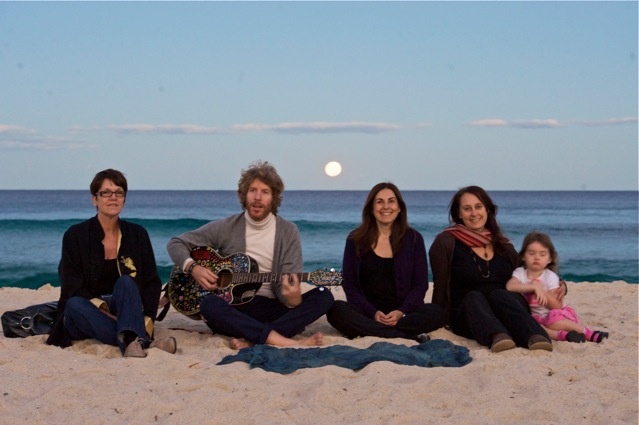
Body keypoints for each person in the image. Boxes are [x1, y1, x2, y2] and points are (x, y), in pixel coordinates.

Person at [166, 160, 334, 349]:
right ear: (244, 195)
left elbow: (289, 295)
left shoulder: (288, 231)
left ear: (274, 198)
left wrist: (293, 299)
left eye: (265, 192)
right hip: (234, 308)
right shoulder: (227, 226)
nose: (257, 197)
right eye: (252, 190)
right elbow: (176, 243)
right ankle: (282, 339)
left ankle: (252, 339)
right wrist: (194, 268)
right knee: (209, 305)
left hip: (272, 305)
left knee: (323, 295)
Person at [46, 169, 176, 358]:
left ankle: (132, 340)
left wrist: (147, 318)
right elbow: (72, 285)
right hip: (86, 312)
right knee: (74, 304)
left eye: (119, 192)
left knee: (126, 282)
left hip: (124, 309)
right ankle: (141, 341)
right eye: (106, 192)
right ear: (94, 199)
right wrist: (113, 317)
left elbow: (150, 282)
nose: (113, 197)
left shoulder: (137, 234)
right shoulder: (76, 235)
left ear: (124, 198)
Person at [429, 186, 553, 352]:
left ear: (487, 209)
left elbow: (530, 273)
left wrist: (561, 286)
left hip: (506, 310)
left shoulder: (502, 245)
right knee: (474, 296)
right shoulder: (445, 242)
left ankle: (535, 336)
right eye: (467, 209)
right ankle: (497, 336)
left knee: (499, 294)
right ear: (459, 213)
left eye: (478, 207)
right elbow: (440, 284)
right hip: (469, 314)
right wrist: (436, 317)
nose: (474, 213)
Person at [327, 183, 447, 341]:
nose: (386, 207)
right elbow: (350, 286)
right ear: (371, 208)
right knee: (335, 310)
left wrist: (400, 312)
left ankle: (376, 331)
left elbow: (420, 285)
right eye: (379, 202)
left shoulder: (414, 239)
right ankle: (405, 335)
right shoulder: (355, 239)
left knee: (437, 312)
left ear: (399, 207)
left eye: (391, 201)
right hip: (367, 313)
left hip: (405, 314)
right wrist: (373, 313)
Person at [506, 231, 609, 343]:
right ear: (523, 256)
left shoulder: (550, 276)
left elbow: (557, 305)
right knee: (535, 328)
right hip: (537, 317)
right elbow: (510, 286)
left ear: (549, 259)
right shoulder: (520, 272)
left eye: (542, 254)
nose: (536, 257)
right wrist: (533, 286)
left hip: (556, 314)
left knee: (553, 320)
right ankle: (565, 336)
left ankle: (588, 333)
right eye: (531, 253)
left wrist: (543, 291)